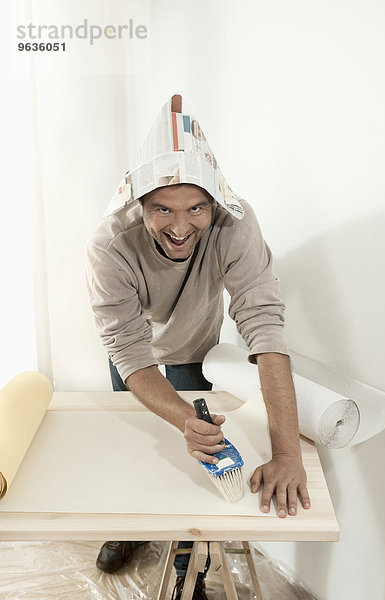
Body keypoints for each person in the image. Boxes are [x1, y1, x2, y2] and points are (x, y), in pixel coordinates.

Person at [85, 95, 310, 600]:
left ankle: (191, 562)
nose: (180, 226)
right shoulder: (108, 244)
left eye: (196, 208)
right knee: (143, 441)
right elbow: (129, 352)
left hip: (194, 340)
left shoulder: (236, 223)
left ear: (215, 203)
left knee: (202, 452)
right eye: (162, 208)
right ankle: (131, 527)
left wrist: (287, 452)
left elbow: (265, 329)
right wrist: (175, 416)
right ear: (138, 202)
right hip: (136, 352)